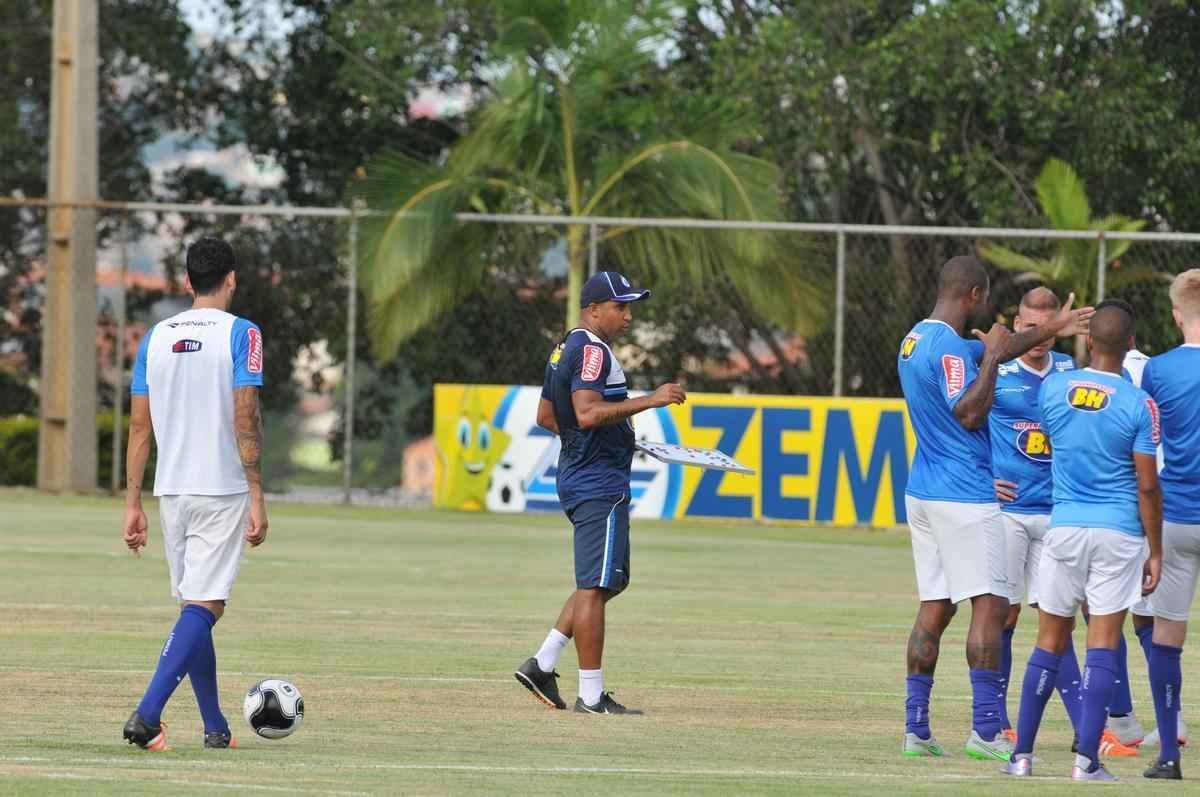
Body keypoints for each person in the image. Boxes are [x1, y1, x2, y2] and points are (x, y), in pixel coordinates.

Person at [897, 255, 1092, 761]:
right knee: (991, 605)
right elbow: (969, 411)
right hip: (963, 492)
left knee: (936, 605)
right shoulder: (951, 350)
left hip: (923, 490)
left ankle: (916, 729)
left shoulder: (916, 338)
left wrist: (1051, 328)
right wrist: (989, 362)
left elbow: (999, 350)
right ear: (975, 296)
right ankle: (986, 729)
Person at [1003, 302, 1162, 782]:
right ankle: (1086, 761)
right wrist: (1155, 550)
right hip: (1118, 533)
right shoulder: (1138, 403)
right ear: (1130, 344)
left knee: (1048, 642)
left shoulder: (1054, 388)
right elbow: (1147, 485)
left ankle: (1021, 757)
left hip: (1065, 526)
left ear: (1089, 341)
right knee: (1102, 644)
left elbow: (1054, 441)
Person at [513, 270, 686, 715]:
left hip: (580, 474)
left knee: (611, 580)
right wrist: (652, 400)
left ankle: (543, 662)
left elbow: (547, 416)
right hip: (598, 482)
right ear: (593, 309)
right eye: (620, 307)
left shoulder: (565, 347)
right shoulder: (592, 350)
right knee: (594, 586)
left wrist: (598, 441)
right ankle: (591, 696)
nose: (628, 317)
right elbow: (587, 413)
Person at [121, 237, 268, 750]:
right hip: (221, 488)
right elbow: (245, 414)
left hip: (172, 492)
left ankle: (216, 727)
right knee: (205, 606)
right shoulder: (243, 333)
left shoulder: (155, 337)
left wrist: (133, 503)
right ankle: (146, 715)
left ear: (187, 282)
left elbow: (139, 428)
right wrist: (257, 493)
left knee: (195, 603)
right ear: (231, 279)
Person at [987, 288, 1100, 747]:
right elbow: (960, 424)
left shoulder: (1072, 374)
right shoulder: (996, 369)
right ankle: (996, 721)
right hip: (1009, 513)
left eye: (1047, 327)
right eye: (1030, 327)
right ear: (1017, 325)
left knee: (1058, 618)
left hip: (1058, 514)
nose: (1039, 336)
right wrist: (983, 477)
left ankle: (1085, 729)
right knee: (1003, 615)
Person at [1137, 270, 1200, 780]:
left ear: (1177, 316)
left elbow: (1148, 439)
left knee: (1166, 634)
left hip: (1176, 515)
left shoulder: (1157, 370)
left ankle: (1169, 756)